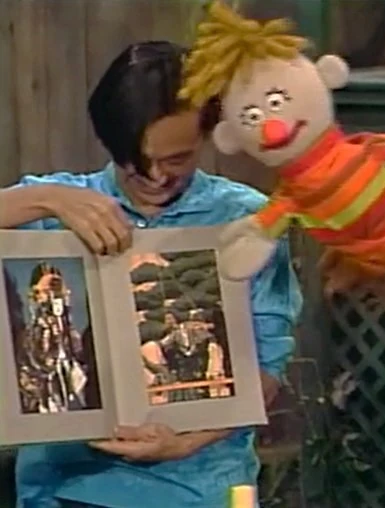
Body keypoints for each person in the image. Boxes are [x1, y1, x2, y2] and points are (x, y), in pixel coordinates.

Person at [0, 40, 303, 508]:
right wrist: (46, 200)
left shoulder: (246, 218)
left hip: (197, 488)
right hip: (61, 488)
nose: (157, 177)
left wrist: (185, 441)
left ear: (208, 133)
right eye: (135, 163)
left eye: (175, 159)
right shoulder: (60, 205)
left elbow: (269, 362)